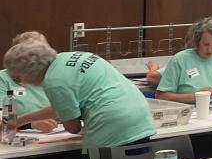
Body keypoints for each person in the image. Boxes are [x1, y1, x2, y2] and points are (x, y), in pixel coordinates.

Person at [4, 37, 155, 148]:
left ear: (30, 71)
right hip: (140, 117)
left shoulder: (54, 82)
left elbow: (73, 127)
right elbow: (61, 107)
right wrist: (22, 119)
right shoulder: (69, 58)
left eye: (19, 75)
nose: (21, 80)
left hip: (112, 126)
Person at [150, 16, 212, 104]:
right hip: (190, 112)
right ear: (196, 42)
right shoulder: (180, 60)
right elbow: (161, 96)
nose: (210, 50)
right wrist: (195, 96)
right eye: (206, 44)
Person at [0, 31, 57, 131]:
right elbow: (3, 118)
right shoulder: (3, 78)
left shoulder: (53, 76)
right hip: (16, 136)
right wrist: (30, 124)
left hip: (58, 134)